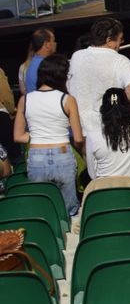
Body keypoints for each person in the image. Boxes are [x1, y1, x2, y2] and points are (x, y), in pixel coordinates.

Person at [68, 18, 130, 179]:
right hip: (107, 132)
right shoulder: (120, 60)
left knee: (90, 179)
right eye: (120, 40)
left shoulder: (77, 56)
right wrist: (123, 109)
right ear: (109, 40)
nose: (120, 44)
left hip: (79, 131)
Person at [13, 54, 84, 215]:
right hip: (63, 153)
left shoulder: (25, 100)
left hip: (36, 155)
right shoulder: (67, 99)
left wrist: (38, 138)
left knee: (42, 208)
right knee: (69, 210)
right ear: (61, 76)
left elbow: (18, 136)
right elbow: (78, 138)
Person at [93, 87, 130, 181]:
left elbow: (92, 174)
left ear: (103, 110)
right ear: (128, 108)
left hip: (103, 192)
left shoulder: (92, 134)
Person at [19, 28, 55, 95]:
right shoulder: (44, 65)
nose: (54, 44)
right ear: (47, 44)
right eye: (53, 41)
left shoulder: (32, 64)